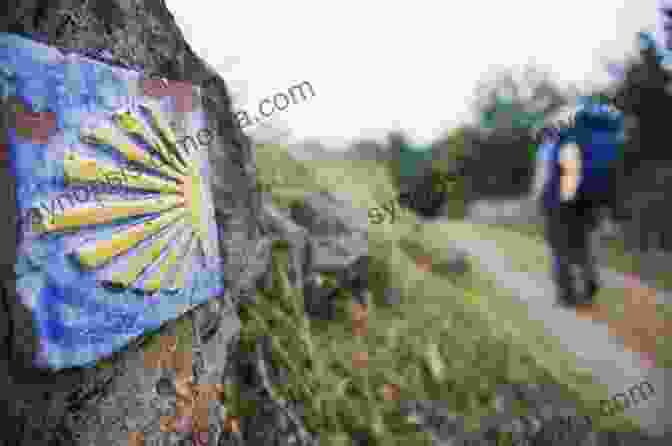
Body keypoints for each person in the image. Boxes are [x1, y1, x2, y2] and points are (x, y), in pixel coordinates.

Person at [531, 97, 624, 307]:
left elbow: (543, 177)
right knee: (582, 243)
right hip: (587, 197)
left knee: (559, 247)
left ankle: (567, 294)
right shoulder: (584, 136)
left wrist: (538, 200)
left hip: (559, 200)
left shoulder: (550, 145)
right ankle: (590, 281)